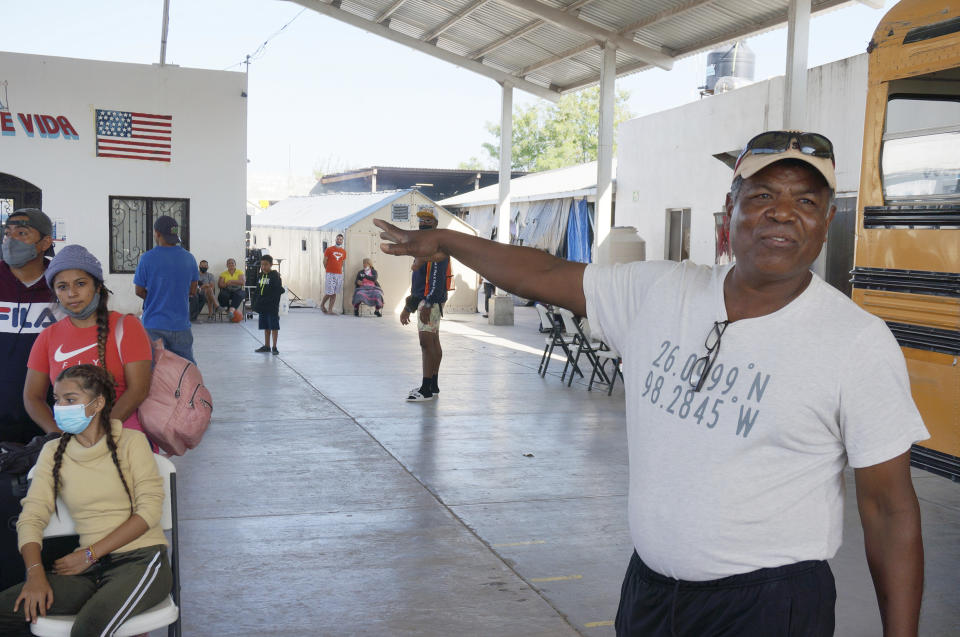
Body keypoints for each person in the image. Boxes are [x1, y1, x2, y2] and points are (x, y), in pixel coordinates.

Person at [375, 131, 928, 636]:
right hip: (649, 593)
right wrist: (448, 242)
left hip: (769, 607)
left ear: (826, 222)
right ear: (728, 212)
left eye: (805, 201)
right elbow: (545, 274)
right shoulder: (661, 291)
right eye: (762, 196)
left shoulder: (855, 341)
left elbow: (889, 509)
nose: (782, 214)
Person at [0, 364, 172, 635]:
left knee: (87, 630)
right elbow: (32, 516)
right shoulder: (52, 451)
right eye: (56, 400)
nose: (60, 407)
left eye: (70, 400)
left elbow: (149, 511)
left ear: (98, 403)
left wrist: (90, 554)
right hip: (90, 570)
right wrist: (35, 574)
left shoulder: (132, 442)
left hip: (141, 561)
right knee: (5, 610)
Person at [24, 244, 153, 439]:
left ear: (98, 286)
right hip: (68, 442)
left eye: (81, 284)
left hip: (123, 436)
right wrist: (59, 436)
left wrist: (99, 434)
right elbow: (32, 397)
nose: (72, 293)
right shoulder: (48, 336)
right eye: (62, 287)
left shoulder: (127, 327)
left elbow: (138, 390)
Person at [0, 208, 59, 442]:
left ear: (45, 242)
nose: (11, 240)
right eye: (7, 233)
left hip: (48, 415)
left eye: (22, 233)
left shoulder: (62, 283)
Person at [133, 216, 198, 363]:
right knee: (185, 369)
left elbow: (139, 290)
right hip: (180, 325)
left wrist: (156, 297)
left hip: (153, 325)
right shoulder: (189, 258)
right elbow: (193, 291)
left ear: (156, 233)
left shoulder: (147, 258)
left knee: (155, 370)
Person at [399, 209, 448, 402]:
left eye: (428, 220)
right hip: (425, 301)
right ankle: (433, 384)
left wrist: (428, 303)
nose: (423, 223)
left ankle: (426, 389)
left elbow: (436, 279)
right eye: (421, 220)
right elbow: (418, 283)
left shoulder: (435, 249)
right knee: (433, 342)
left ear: (435, 224)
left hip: (429, 302)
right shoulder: (424, 246)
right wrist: (408, 306)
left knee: (426, 344)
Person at [254, 254, 283, 355]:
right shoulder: (260, 276)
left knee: (274, 327)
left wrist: (271, 302)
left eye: (266, 264)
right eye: (262, 265)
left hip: (272, 306)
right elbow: (258, 290)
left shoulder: (275, 276)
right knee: (266, 327)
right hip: (262, 306)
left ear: (271, 265)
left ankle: (274, 347)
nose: (263, 267)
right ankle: (267, 346)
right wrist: (256, 303)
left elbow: (278, 291)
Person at [320, 234, 346, 314]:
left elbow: (342, 262)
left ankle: (330, 310)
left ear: (342, 241)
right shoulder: (329, 249)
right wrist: (328, 270)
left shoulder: (343, 252)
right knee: (329, 292)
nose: (339, 240)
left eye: (340, 239)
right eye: (338, 239)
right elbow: (325, 261)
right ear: (335, 239)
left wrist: (339, 270)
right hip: (330, 273)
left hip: (339, 274)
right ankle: (322, 305)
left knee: (334, 293)